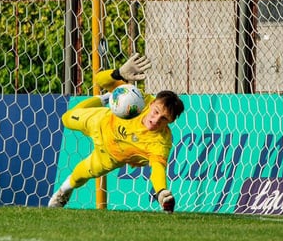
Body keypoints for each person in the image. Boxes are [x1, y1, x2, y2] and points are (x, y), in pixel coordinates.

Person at [48, 52, 185, 213]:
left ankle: (64, 192)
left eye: (163, 119)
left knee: (81, 174)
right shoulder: (137, 98)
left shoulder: (161, 141)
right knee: (66, 118)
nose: (156, 120)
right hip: (100, 122)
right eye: (155, 112)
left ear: (170, 122)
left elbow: (157, 169)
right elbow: (100, 79)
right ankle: (106, 98)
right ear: (152, 102)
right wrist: (118, 73)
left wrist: (161, 191)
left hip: (111, 156)